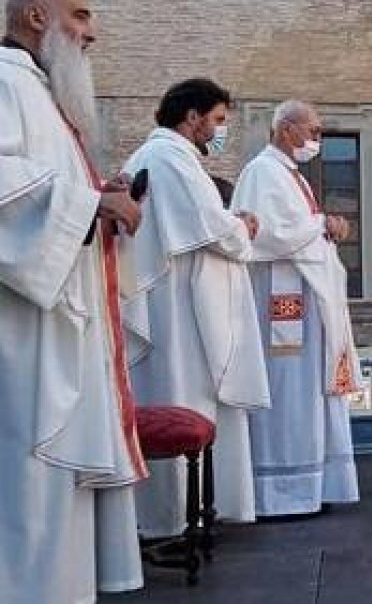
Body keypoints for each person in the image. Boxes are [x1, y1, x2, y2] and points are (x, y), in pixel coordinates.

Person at [0, 0, 147, 602]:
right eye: (81, 15)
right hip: (26, 328)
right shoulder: (5, 81)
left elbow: (49, 186)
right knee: (30, 469)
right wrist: (91, 205)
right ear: (37, 16)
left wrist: (97, 198)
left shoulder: (42, 92)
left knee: (54, 477)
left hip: (65, 317)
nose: (92, 32)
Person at [119, 78, 271, 538]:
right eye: (218, 120)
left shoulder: (158, 157)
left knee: (182, 396)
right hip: (180, 310)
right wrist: (243, 226)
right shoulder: (170, 158)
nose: (221, 130)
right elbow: (211, 227)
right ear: (192, 117)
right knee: (182, 394)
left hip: (178, 302)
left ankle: (187, 510)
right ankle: (174, 515)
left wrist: (230, 225)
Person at [230, 100, 360, 516]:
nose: (317, 140)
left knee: (311, 394)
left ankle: (314, 486)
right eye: (314, 131)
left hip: (308, 301)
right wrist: (321, 223)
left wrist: (328, 226)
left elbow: (298, 230)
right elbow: (266, 234)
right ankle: (282, 492)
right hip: (281, 306)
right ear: (286, 129)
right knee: (288, 394)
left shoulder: (291, 176)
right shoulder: (261, 172)